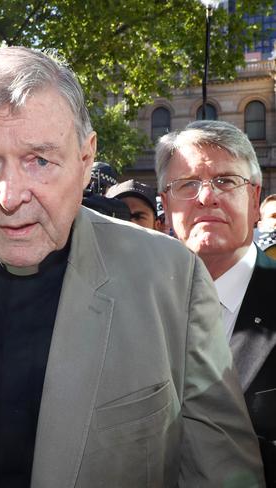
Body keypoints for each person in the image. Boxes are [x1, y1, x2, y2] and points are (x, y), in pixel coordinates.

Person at [0, 47, 264, 487]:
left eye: (39, 160)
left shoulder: (171, 282)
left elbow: (222, 473)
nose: (10, 195)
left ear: (85, 158)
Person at [156, 119, 276, 485]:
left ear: (254, 200)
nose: (207, 197)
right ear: (165, 206)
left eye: (225, 181)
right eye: (188, 184)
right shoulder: (136, 306)